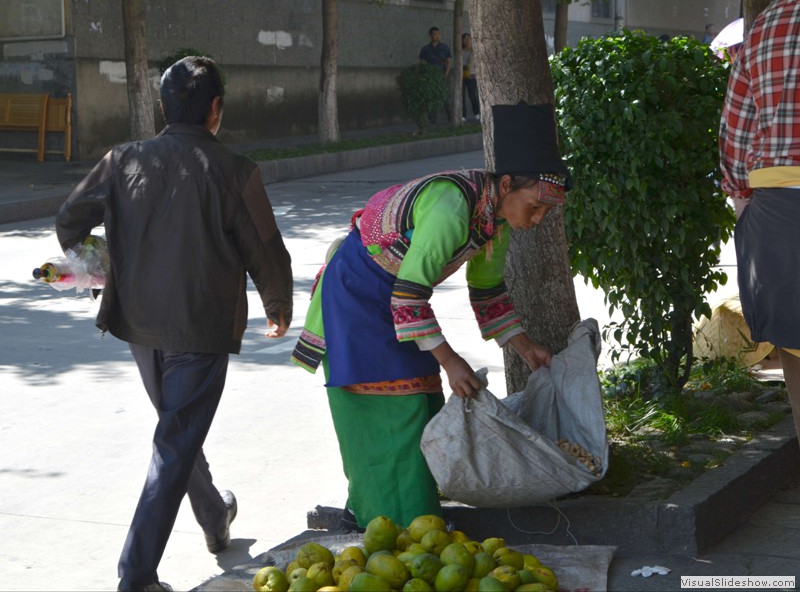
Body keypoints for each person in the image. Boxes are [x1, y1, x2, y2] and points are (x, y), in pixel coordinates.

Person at [55, 56, 294, 591]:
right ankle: (136, 575)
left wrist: (97, 265)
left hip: (138, 323)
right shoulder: (236, 171)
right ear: (215, 108)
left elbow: (70, 219)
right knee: (175, 439)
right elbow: (265, 248)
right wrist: (277, 304)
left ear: (163, 106)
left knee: (176, 429)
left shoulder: (122, 160)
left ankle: (213, 516)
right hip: (200, 326)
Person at [291, 102, 570, 530]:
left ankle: (392, 518)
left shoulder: (496, 220)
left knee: (421, 405)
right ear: (508, 183)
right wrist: (451, 360)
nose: (536, 220)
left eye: (546, 213)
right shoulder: (452, 206)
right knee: (392, 414)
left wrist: (525, 346)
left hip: (395, 300)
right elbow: (409, 297)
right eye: (534, 206)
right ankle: (388, 526)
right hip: (356, 300)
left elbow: (488, 291)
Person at [719, 0, 800, 445]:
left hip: (778, 206)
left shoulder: (770, 20)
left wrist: (743, 200)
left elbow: (735, 130)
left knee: (795, 343)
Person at [419, 26, 453, 123]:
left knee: (445, 96)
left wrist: (446, 74)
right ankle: (432, 119)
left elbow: (449, 61)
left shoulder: (444, 47)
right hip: (430, 75)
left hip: (442, 73)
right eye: (435, 34)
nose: (437, 36)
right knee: (431, 96)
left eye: (438, 34)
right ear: (430, 36)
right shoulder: (425, 49)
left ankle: (450, 115)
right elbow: (422, 62)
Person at [461, 33, 480, 122]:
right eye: (465, 39)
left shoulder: (474, 51)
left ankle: (477, 113)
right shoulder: (460, 51)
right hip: (461, 76)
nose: (467, 40)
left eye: (469, 38)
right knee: (461, 97)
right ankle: (463, 115)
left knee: (473, 95)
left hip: (472, 75)